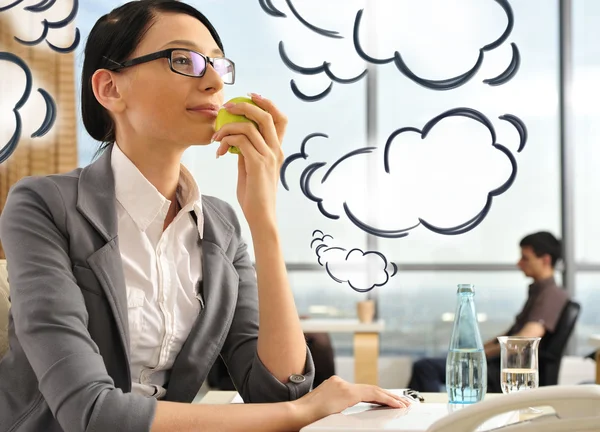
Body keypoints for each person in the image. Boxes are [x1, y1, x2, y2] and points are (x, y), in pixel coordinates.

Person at [0, 1, 411, 431]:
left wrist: (264, 220)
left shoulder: (220, 224)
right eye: (185, 60)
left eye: (217, 64)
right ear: (110, 89)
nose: (215, 81)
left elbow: (276, 389)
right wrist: (301, 412)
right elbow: (91, 413)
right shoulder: (43, 205)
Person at [408, 231, 569, 394]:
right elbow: (511, 334)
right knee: (432, 364)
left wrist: (478, 355)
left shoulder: (551, 295)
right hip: (498, 366)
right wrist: (477, 349)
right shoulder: (539, 293)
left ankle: (431, 415)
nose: (519, 263)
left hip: (505, 373)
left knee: (425, 368)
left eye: (525, 258)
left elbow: (523, 340)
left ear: (546, 260)